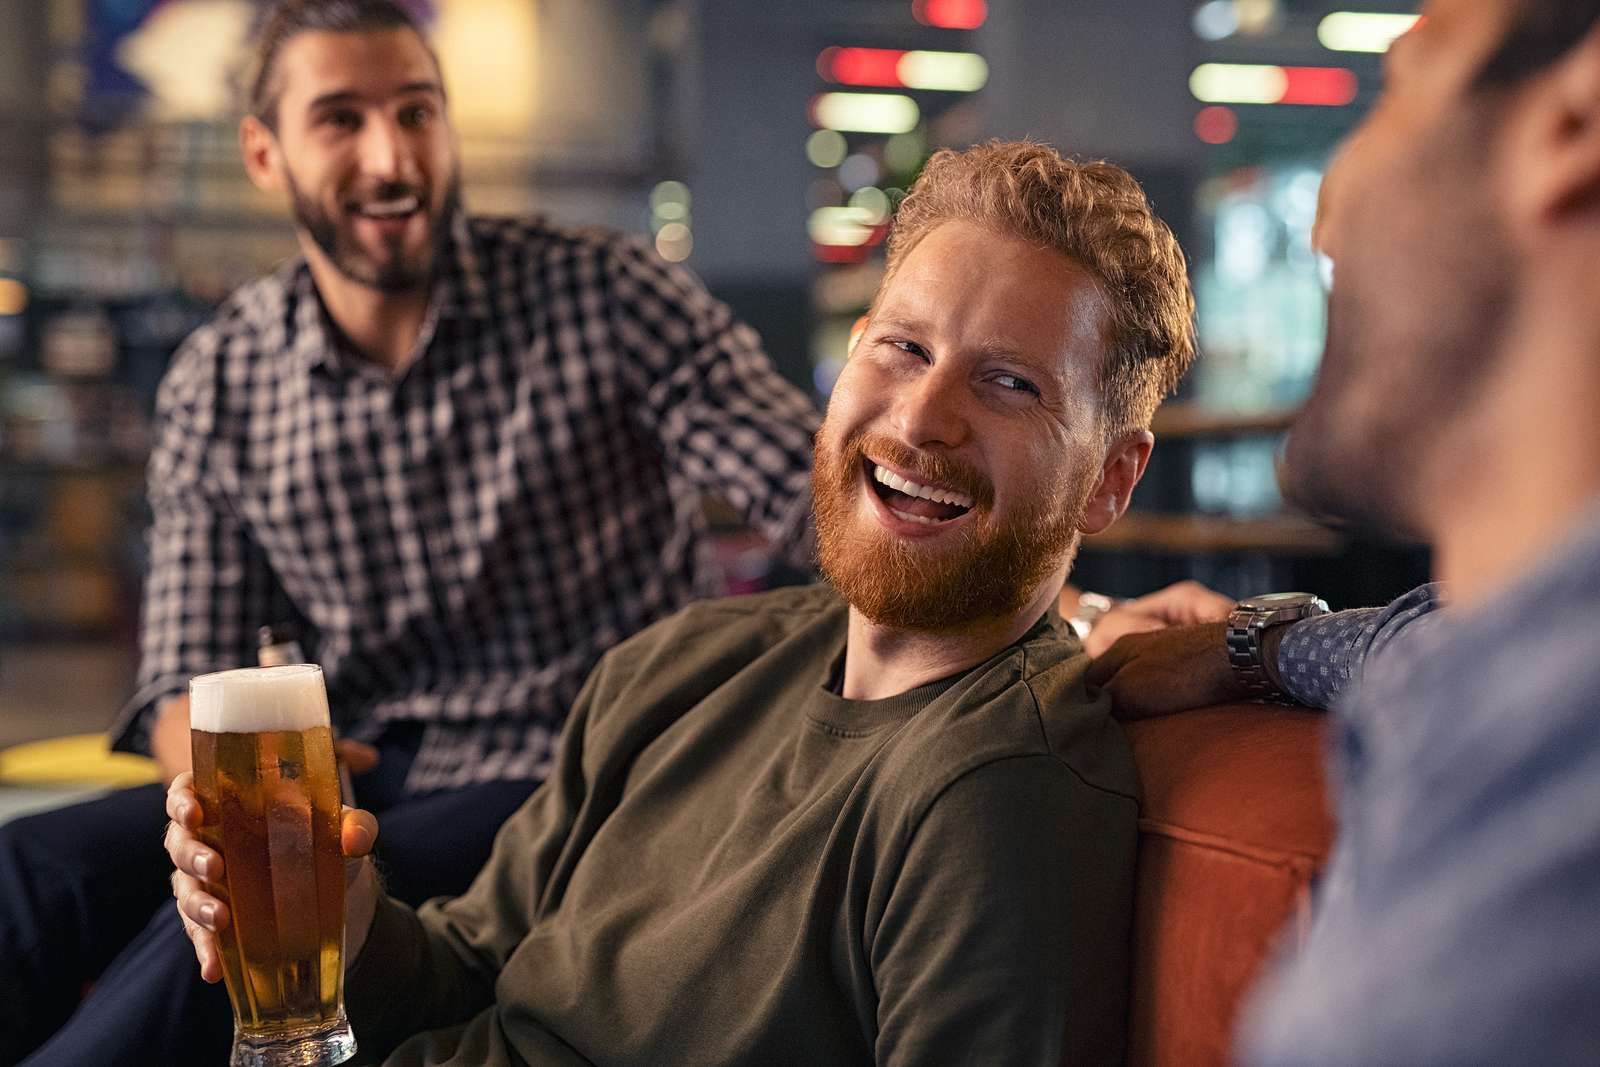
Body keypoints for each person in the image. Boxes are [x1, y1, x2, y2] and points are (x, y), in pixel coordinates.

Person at [165, 139, 1199, 1065]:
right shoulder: (686, 659)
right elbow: (469, 963)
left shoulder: (995, 793)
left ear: (1111, 476)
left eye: (1009, 384)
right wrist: (348, 920)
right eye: (901, 347)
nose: (922, 416)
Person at [0, 2, 821, 1063]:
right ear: (265, 152)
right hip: (354, 773)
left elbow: (816, 494)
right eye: (340, 119)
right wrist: (211, 827)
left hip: (567, 772)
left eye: (416, 113)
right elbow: (183, 680)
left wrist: (1042, 605)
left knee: (213, 941)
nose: (392, 157)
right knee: (29, 870)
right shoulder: (226, 374)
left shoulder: (603, 293)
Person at [1089, 1, 1600, 1061]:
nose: (1324, 221)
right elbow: (1416, 636)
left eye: (1397, 86)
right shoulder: (1506, 644)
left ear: (1574, 122)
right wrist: (1251, 642)